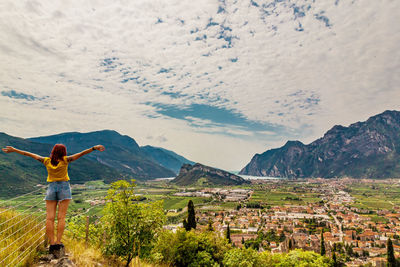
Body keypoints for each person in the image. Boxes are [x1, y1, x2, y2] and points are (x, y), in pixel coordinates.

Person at [1, 144, 105, 254]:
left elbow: (29, 154)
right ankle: (58, 242)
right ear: (63, 152)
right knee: (61, 218)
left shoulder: (46, 161)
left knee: (49, 218)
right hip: (64, 188)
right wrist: (93, 148)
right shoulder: (65, 160)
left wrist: (14, 150)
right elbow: (82, 153)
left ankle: (52, 244)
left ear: (53, 151)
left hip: (51, 188)